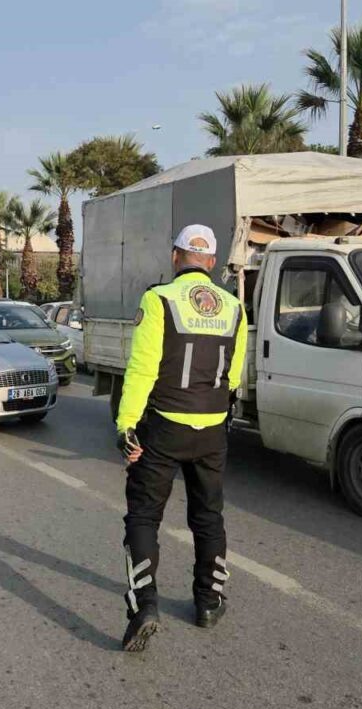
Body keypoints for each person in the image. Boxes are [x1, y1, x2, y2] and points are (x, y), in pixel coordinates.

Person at [115, 224, 249, 652]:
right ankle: (209, 603)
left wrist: (126, 424)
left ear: (176, 257)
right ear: (211, 262)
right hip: (212, 429)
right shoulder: (235, 307)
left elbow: (142, 368)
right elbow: (235, 375)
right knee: (208, 517)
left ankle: (144, 606)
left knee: (143, 517)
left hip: (164, 426)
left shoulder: (159, 299)